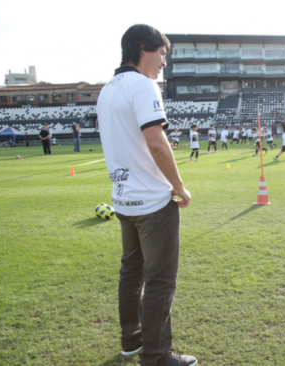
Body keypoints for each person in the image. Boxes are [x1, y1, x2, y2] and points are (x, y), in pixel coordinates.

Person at [96, 24, 197, 366]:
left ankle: (132, 341)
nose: (164, 63)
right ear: (144, 49)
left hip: (123, 199)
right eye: (163, 54)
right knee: (159, 280)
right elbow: (156, 141)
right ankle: (156, 356)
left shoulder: (108, 89)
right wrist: (179, 187)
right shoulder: (143, 84)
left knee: (131, 272)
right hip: (152, 202)